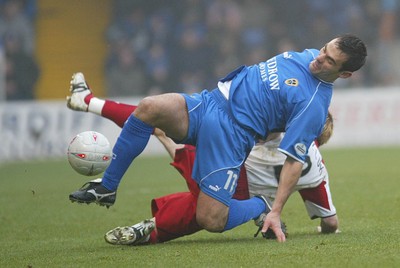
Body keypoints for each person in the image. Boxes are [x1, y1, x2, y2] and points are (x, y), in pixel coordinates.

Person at [68, 34, 366, 242]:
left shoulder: (314, 104)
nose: (319, 59)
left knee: (211, 219)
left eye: (330, 61)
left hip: (232, 135)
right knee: (149, 108)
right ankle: (107, 187)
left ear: (345, 74)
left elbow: (294, 162)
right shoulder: (308, 57)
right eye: (324, 49)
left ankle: (258, 205)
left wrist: (275, 210)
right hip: (210, 102)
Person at [67, 86, 338, 245]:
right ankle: (152, 229)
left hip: (232, 173)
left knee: (159, 126)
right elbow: (330, 219)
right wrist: (326, 229)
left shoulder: (276, 126)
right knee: (203, 208)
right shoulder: (314, 168)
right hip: (234, 179)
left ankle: (90, 102)